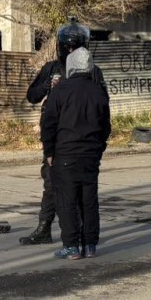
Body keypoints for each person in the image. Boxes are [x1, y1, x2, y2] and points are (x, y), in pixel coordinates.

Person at [19, 17, 105, 246]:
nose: (71, 51)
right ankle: (45, 227)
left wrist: (99, 142)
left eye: (75, 47)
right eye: (68, 46)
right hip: (57, 135)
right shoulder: (52, 68)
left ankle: (82, 238)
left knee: (82, 191)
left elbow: (103, 107)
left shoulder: (92, 71)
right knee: (52, 182)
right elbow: (32, 95)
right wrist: (49, 86)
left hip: (83, 137)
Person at [40, 47, 111, 260]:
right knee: (89, 200)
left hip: (65, 154)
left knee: (67, 201)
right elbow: (105, 126)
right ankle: (90, 244)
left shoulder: (60, 91)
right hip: (90, 155)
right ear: (89, 67)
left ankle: (71, 246)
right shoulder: (98, 91)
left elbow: (49, 123)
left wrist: (49, 151)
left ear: (70, 66)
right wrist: (98, 149)